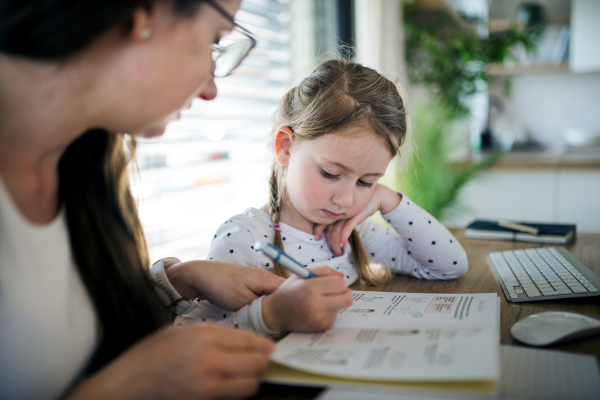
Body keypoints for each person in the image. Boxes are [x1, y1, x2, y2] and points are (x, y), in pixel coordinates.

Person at [0, 1, 351, 399]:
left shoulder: (88, 166)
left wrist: (177, 281)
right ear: (144, 15)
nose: (210, 88)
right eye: (213, 41)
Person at [181, 60, 469, 335]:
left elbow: (449, 266)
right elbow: (191, 337)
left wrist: (387, 199)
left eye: (367, 182)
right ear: (285, 147)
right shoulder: (245, 238)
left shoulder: (352, 230)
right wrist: (270, 315)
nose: (345, 200)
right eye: (331, 173)